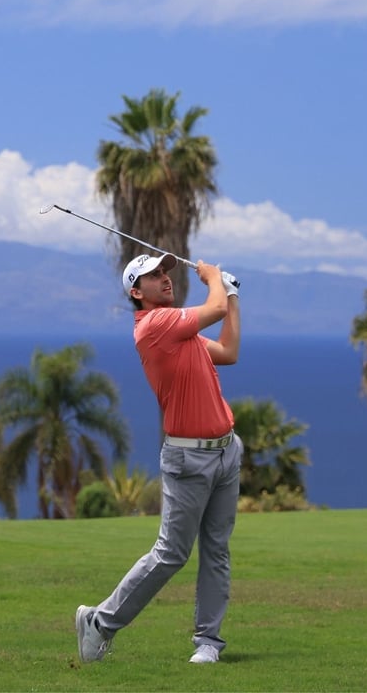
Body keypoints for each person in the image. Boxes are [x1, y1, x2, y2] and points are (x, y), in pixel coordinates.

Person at [76, 252, 243, 665]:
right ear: (137, 292)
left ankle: (208, 642)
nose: (165, 278)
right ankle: (100, 622)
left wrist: (231, 295)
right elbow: (213, 309)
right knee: (171, 553)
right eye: (153, 275)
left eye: (165, 271)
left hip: (226, 451)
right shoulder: (155, 325)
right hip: (188, 459)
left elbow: (228, 351)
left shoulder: (181, 333)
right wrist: (214, 278)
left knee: (217, 551)